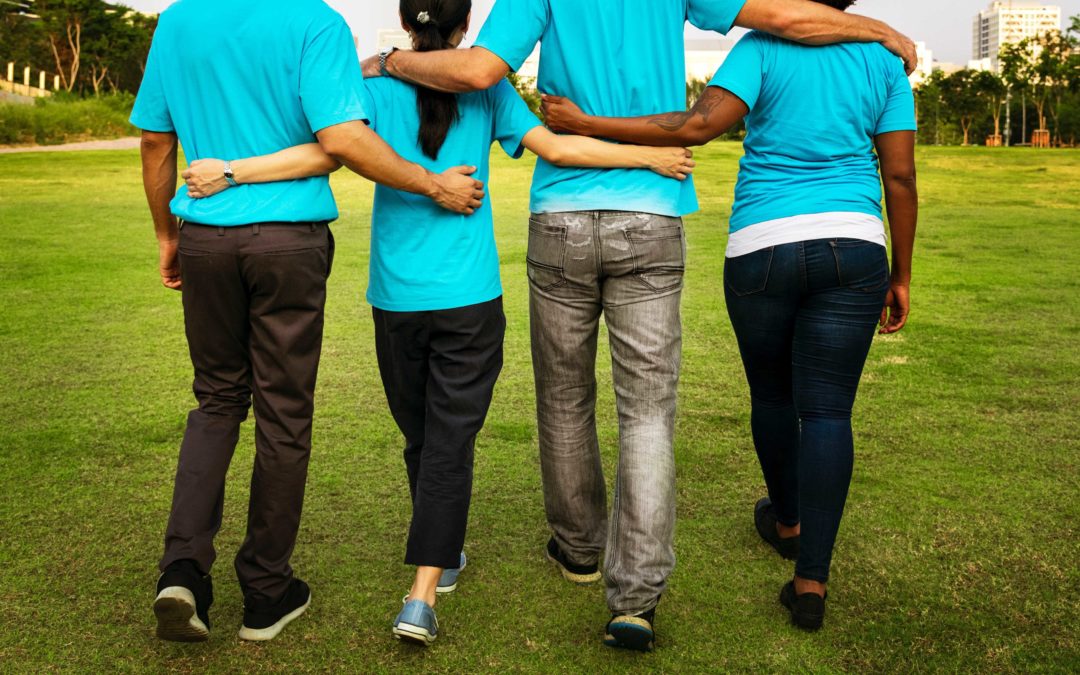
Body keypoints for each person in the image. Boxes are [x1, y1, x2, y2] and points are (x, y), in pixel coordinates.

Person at [361, 0, 917, 652]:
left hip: (562, 217)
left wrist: (394, 59)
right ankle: (636, 597)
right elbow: (788, 19)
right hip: (651, 217)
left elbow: (481, 68)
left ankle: (578, 549)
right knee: (648, 413)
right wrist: (876, 27)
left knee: (564, 398)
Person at [179, 0, 694, 647]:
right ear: (463, 30)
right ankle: (426, 584)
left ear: (406, 22)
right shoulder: (491, 92)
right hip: (469, 297)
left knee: (423, 436)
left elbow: (326, 146)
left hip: (396, 299)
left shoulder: (373, 86)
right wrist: (648, 160)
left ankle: (438, 564)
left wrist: (231, 171)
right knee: (445, 442)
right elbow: (556, 147)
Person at [541, 0, 918, 632]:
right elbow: (900, 176)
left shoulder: (761, 49)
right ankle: (810, 581)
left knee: (773, 396)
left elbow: (693, 127)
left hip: (762, 245)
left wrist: (588, 122)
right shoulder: (884, 61)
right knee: (828, 411)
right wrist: (901, 273)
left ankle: (788, 521)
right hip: (855, 243)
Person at [132, 0, 485, 644]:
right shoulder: (315, 22)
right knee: (283, 413)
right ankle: (267, 593)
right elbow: (341, 141)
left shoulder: (178, 20)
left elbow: (156, 139)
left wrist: (165, 233)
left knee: (215, 403)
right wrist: (432, 184)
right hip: (288, 242)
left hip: (205, 237)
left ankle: (182, 570)